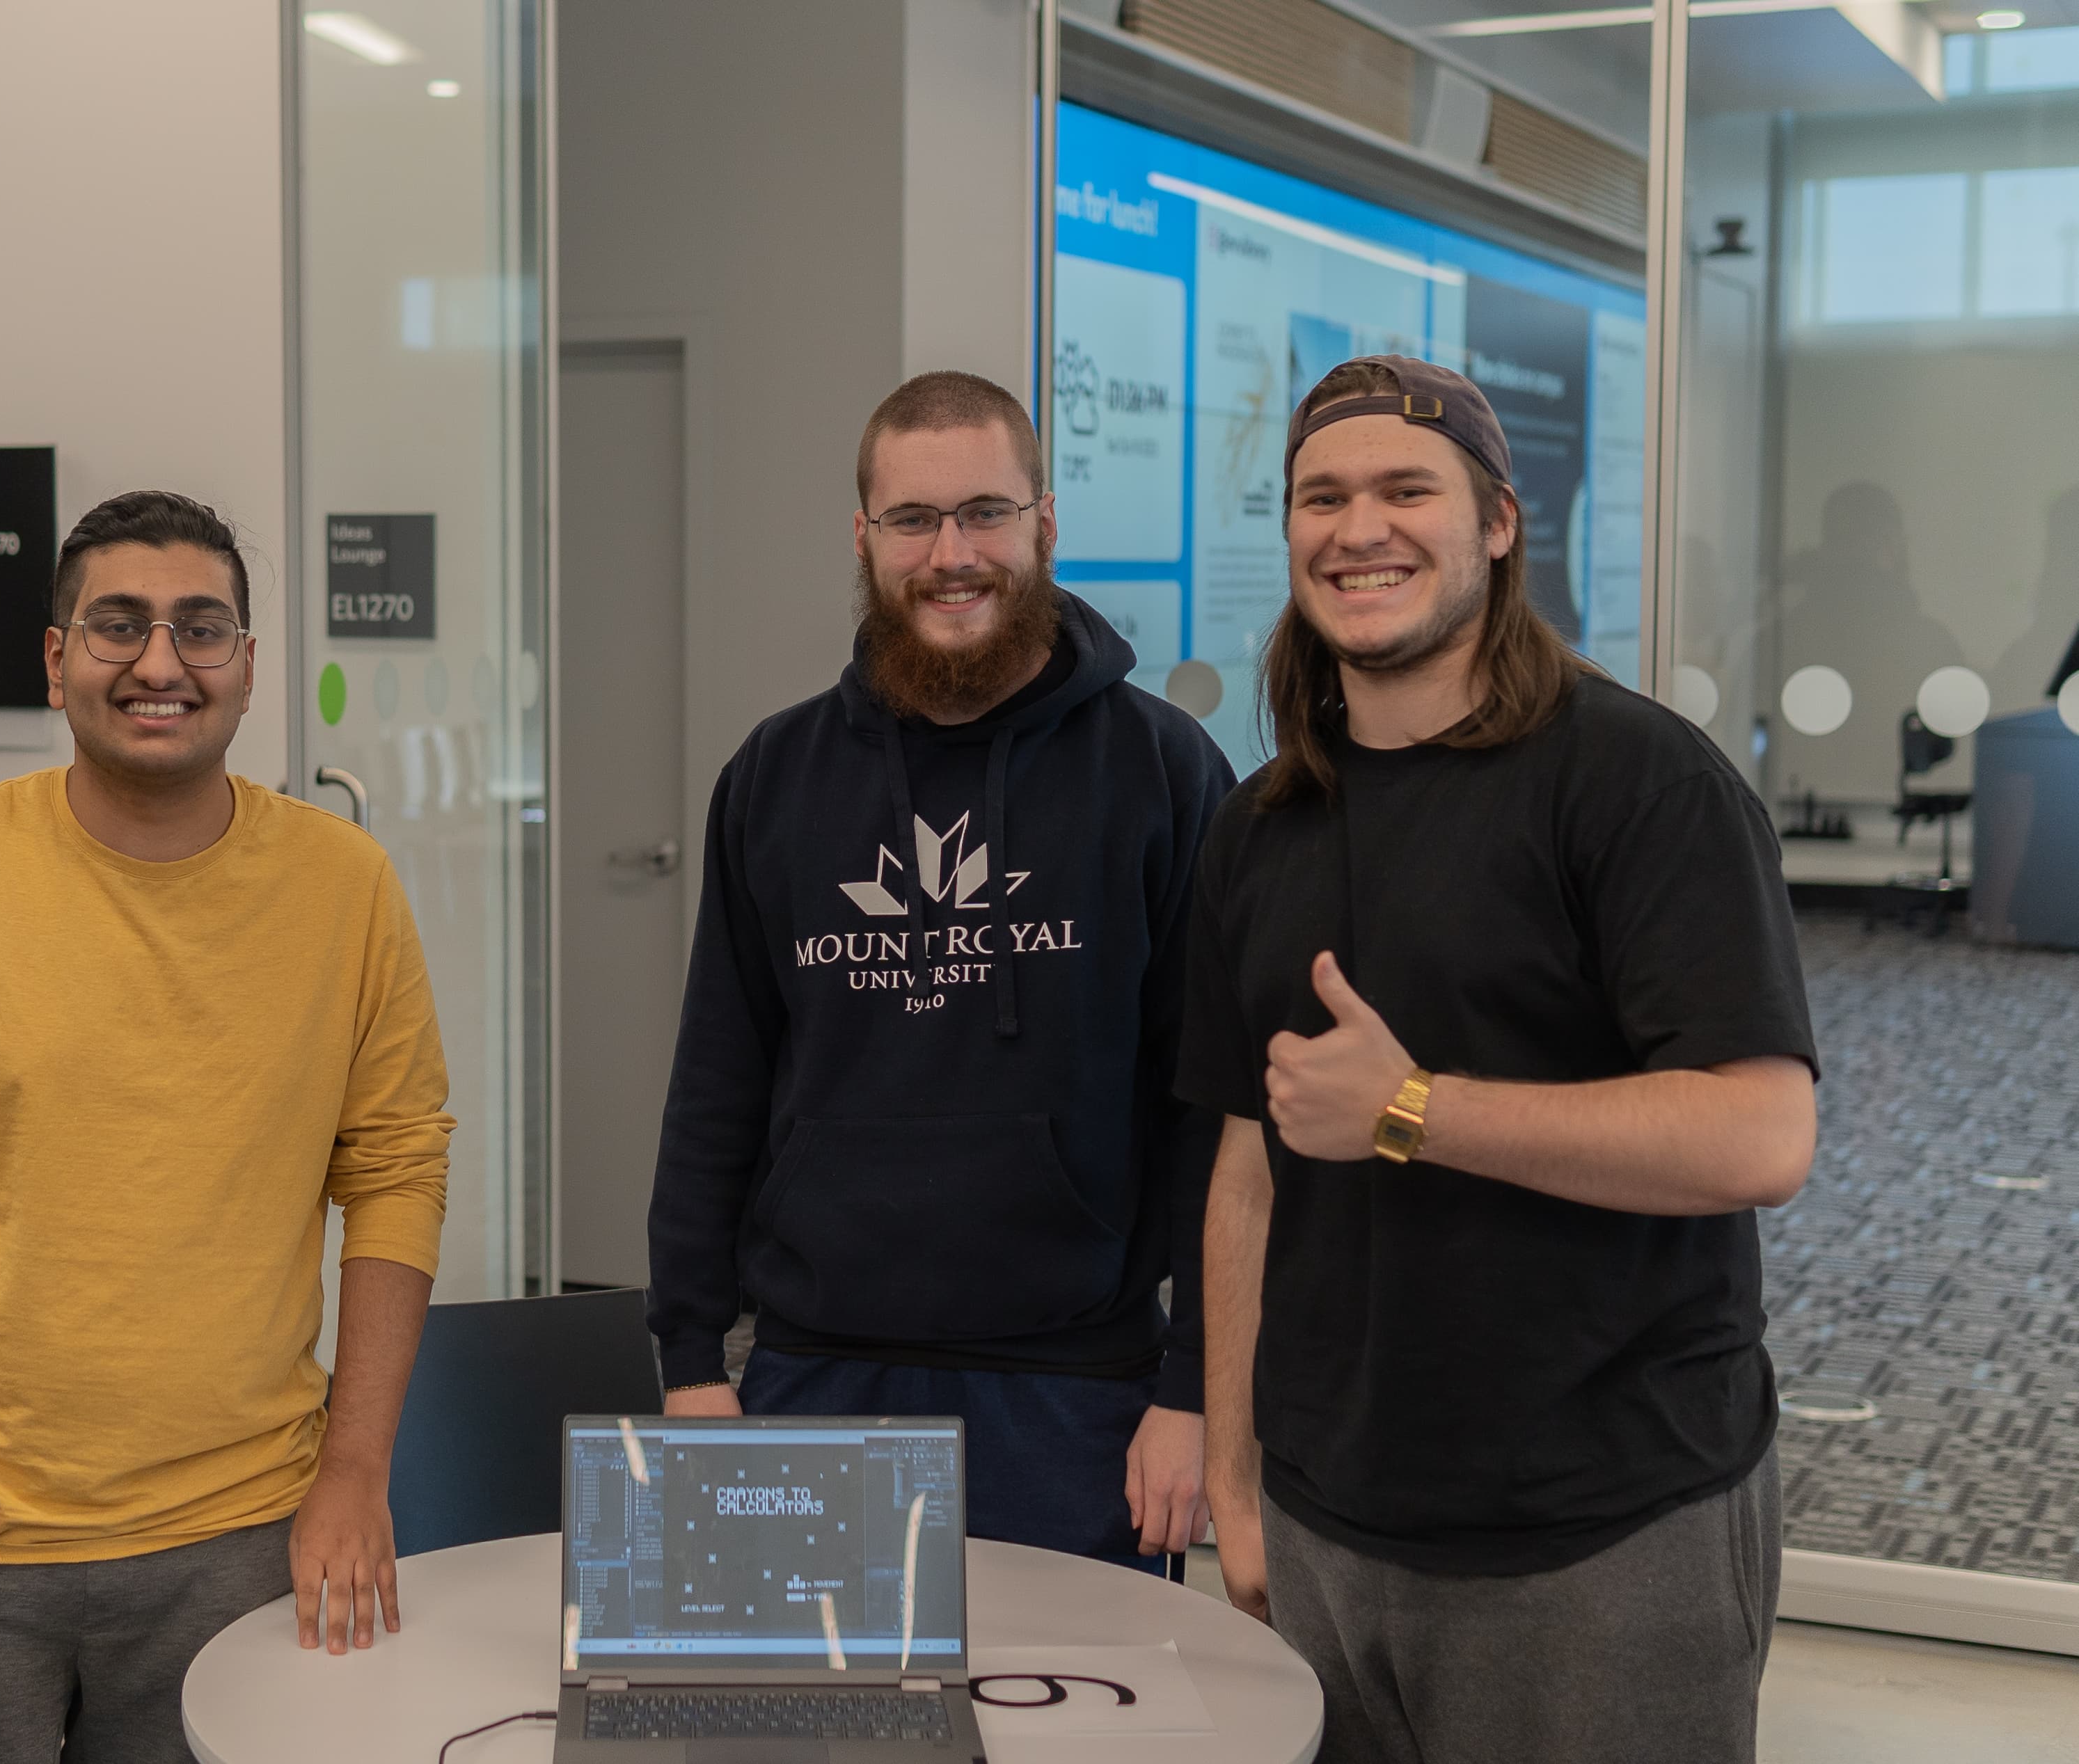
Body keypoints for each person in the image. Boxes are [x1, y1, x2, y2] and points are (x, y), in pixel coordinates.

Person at [1179, 356, 1817, 1763]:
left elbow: (1757, 1136)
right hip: (1325, 1517)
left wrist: (1411, 1109)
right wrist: (1234, 1474)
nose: (1359, 528)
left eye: (1407, 489)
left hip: (1600, 1526)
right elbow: (1244, 1169)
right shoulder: (1259, 825)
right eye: (1320, 496)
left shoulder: (1637, 782)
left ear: (1496, 523)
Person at [0, 491, 452, 1761]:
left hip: (246, 1533)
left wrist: (355, 1472)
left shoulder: (345, 889)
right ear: (55, 661)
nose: (161, 664)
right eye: (119, 626)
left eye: (203, 629)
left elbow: (396, 1171)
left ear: (250, 668)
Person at [646, 370, 1235, 1568]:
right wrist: (691, 1363)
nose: (950, 554)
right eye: (911, 521)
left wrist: (1197, 1388)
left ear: (1045, 526)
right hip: (810, 1374)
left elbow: (1212, 1108)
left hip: (1080, 1390)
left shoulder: (1161, 772)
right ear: (862, 539)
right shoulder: (774, 775)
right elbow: (718, 1079)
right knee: (805, 1747)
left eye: (985, 514)